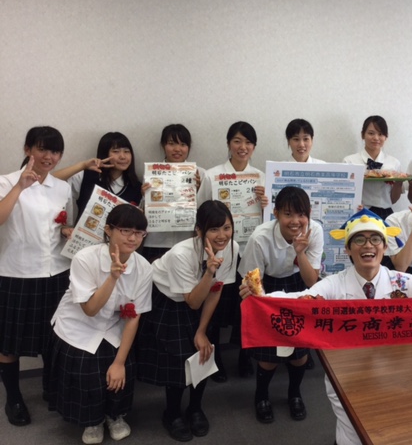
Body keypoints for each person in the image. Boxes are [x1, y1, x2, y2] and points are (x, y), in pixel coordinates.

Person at [240, 208, 412, 445]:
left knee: (389, 430)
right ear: (348, 249)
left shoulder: (402, 282)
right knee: (352, 434)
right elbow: (301, 301)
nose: (368, 246)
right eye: (359, 240)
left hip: (395, 373)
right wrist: (261, 298)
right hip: (346, 375)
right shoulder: (334, 284)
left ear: (385, 246)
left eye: (375, 239)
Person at [48, 204, 152, 444]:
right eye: (125, 230)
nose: (133, 238)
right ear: (108, 230)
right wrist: (113, 277)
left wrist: (120, 362)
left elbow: (134, 315)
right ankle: (91, 420)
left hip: (114, 325)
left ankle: (114, 415)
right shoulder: (85, 258)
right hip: (78, 326)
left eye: (139, 232)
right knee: (86, 371)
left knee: (121, 369)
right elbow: (90, 309)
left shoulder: (143, 267)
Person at [136, 200, 238, 442]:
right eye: (214, 229)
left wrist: (202, 331)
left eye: (226, 228)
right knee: (178, 357)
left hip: (201, 296)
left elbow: (215, 291)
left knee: (204, 350)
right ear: (199, 231)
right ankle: (171, 413)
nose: (222, 235)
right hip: (169, 299)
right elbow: (192, 301)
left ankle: (195, 408)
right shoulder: (181, 254)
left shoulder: (231, 247)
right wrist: (210, 272)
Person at [0, 126, 73, 427]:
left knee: (53, 336)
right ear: (28, 149)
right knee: (9, 341)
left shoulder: (62, 187)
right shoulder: (6, 181)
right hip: (17, 272)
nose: (49, 156)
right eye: (42, 149)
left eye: (55, 151)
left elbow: (62, 224)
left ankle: (51, 388)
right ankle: (13, 397)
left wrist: (67, 230)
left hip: (56, 271)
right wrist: (20, 187)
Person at [238, 186, 323, 424]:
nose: (295, 221)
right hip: (267, 285)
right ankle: (261, 396)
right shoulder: (260, 237)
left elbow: (311, 281)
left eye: (301, 214)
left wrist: (300, 252)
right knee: (269, 354)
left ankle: (294, 393)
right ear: (275, 213)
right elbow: (254, 281)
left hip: (299, 281)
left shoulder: (315, 231)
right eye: (288, 214)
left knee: (299, 353)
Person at [197, 121, 267, 379]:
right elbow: (201, 212)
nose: (242, 147)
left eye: (248, 142)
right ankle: (215, 358)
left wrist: (266, 203)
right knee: (216, 305)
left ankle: (245, 356)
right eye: (237, 141)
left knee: (248, 304)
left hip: (251, 250)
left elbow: (271, 220)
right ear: (228, 144)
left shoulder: (261, 177)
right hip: (221, 251)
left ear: (254, 147)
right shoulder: (212, 175)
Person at [141, 124, 206, 263]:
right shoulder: (152, 173)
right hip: (156, 242)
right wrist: (145, 196)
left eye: (183, 144)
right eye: (171, 144)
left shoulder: (200, 174)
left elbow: (207, 211)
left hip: (188, 241)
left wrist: (199, 191)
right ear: (163, 146)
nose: (177, 149)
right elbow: (142, 212)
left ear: (188, 147)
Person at [55, 132, 142, 220]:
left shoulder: (137, 187)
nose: (123, 156)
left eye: (127, 151)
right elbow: (51, 180)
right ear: (105, 154)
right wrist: (83, 165)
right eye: (116, 151)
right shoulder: (86, 176)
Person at [343, 115, 403, 219]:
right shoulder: (350, 161)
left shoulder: (394, 163)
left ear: (386, 137)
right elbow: (344, 193)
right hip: (359, 212)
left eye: (381, 134)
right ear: (362, 135)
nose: (376, 138)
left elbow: (393, 200)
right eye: (371, 133)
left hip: (386, 213)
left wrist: (399, 183)